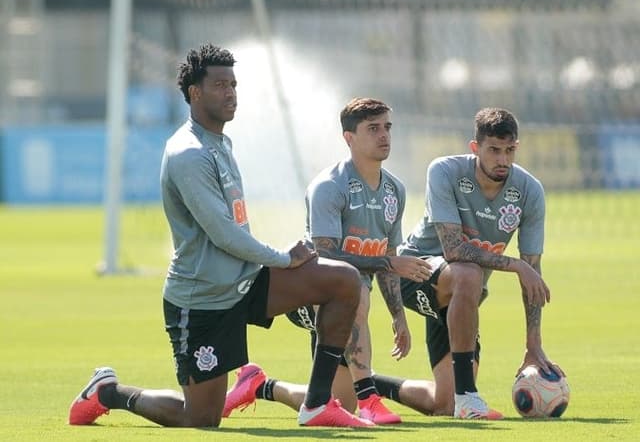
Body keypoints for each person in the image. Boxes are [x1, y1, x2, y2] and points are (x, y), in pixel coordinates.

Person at [67, 43, 374, 428]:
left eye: (233, 85)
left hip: (244, 280)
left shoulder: (221, 143)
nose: (230, 94)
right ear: (195, 93)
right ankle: (108, 392)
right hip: (203, 299)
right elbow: (223, 234)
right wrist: (283, 258)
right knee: (199, 418)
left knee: (343, 280)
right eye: (219, 85)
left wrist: (280, 263)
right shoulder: (188, 153)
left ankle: (316, 404)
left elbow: (236, 227)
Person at [221, 98, 432, 424]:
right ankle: (370, 398)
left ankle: (260, 386)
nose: (384, 135)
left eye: (387, 127)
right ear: (349, 138)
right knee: (353, 286)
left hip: (348, 307)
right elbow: (327, 254)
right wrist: (390, 264)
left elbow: (390, 256)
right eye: (373, 129)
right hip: (311, 295)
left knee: (331, 404)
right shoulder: (329, 186)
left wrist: (398, 316)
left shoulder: (395, 191)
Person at [367, 107, 565, 419]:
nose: (502, 160)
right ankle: (468, 396)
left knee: (442, 406)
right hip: (416, 273)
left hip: (461, 297)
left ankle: (365, 383)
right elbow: (454, 249)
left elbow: (532, 273)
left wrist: (533, 345)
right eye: (494, 151)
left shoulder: (528, 191)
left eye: (509, 151)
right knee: (468, 272)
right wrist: (515, 264)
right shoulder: (444, 171)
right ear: (475, 149)